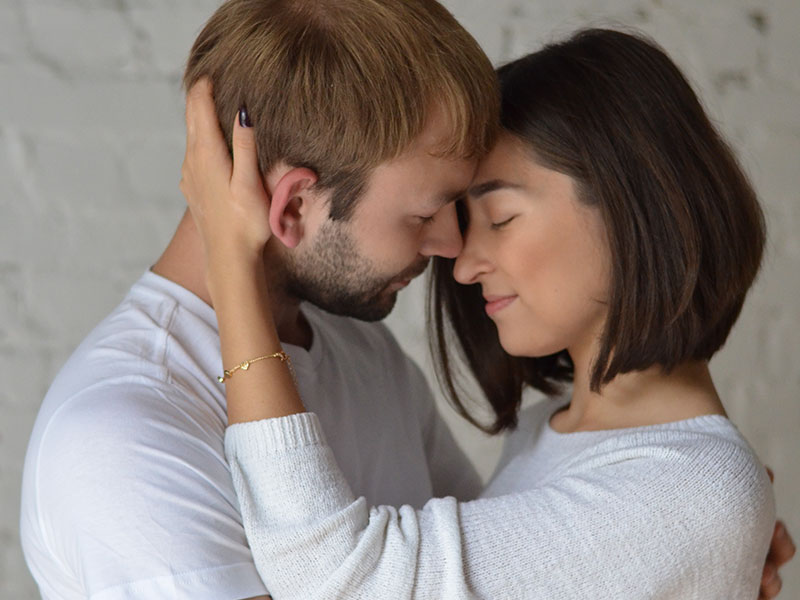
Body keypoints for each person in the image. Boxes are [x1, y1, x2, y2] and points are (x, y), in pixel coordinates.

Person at [181, 28, 795, 599]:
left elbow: (339, 579)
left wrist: (232, 259)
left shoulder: (687, 493)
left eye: (500, 218)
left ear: (637, 204)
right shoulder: (556, 433)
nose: (463, 264)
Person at [19, 1, 500, 598]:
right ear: (292, 206)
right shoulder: (122, 436)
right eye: (425, 214)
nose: (452, 244)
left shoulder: (366, 353)